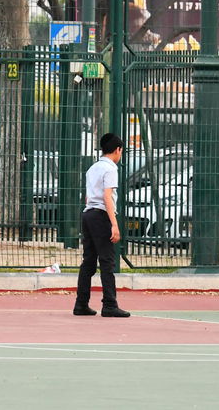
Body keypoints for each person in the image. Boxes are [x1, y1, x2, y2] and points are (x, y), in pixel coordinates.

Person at [73, 133, 130, 318]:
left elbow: (89, 196)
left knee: (88, 261)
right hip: (100, 216)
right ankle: (110, 304)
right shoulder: (111, 169)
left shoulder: (93, 168)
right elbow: (107, 197)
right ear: (118, 150)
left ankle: (81, 304)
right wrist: (114, 224)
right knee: (107, 261)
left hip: (88, 214)